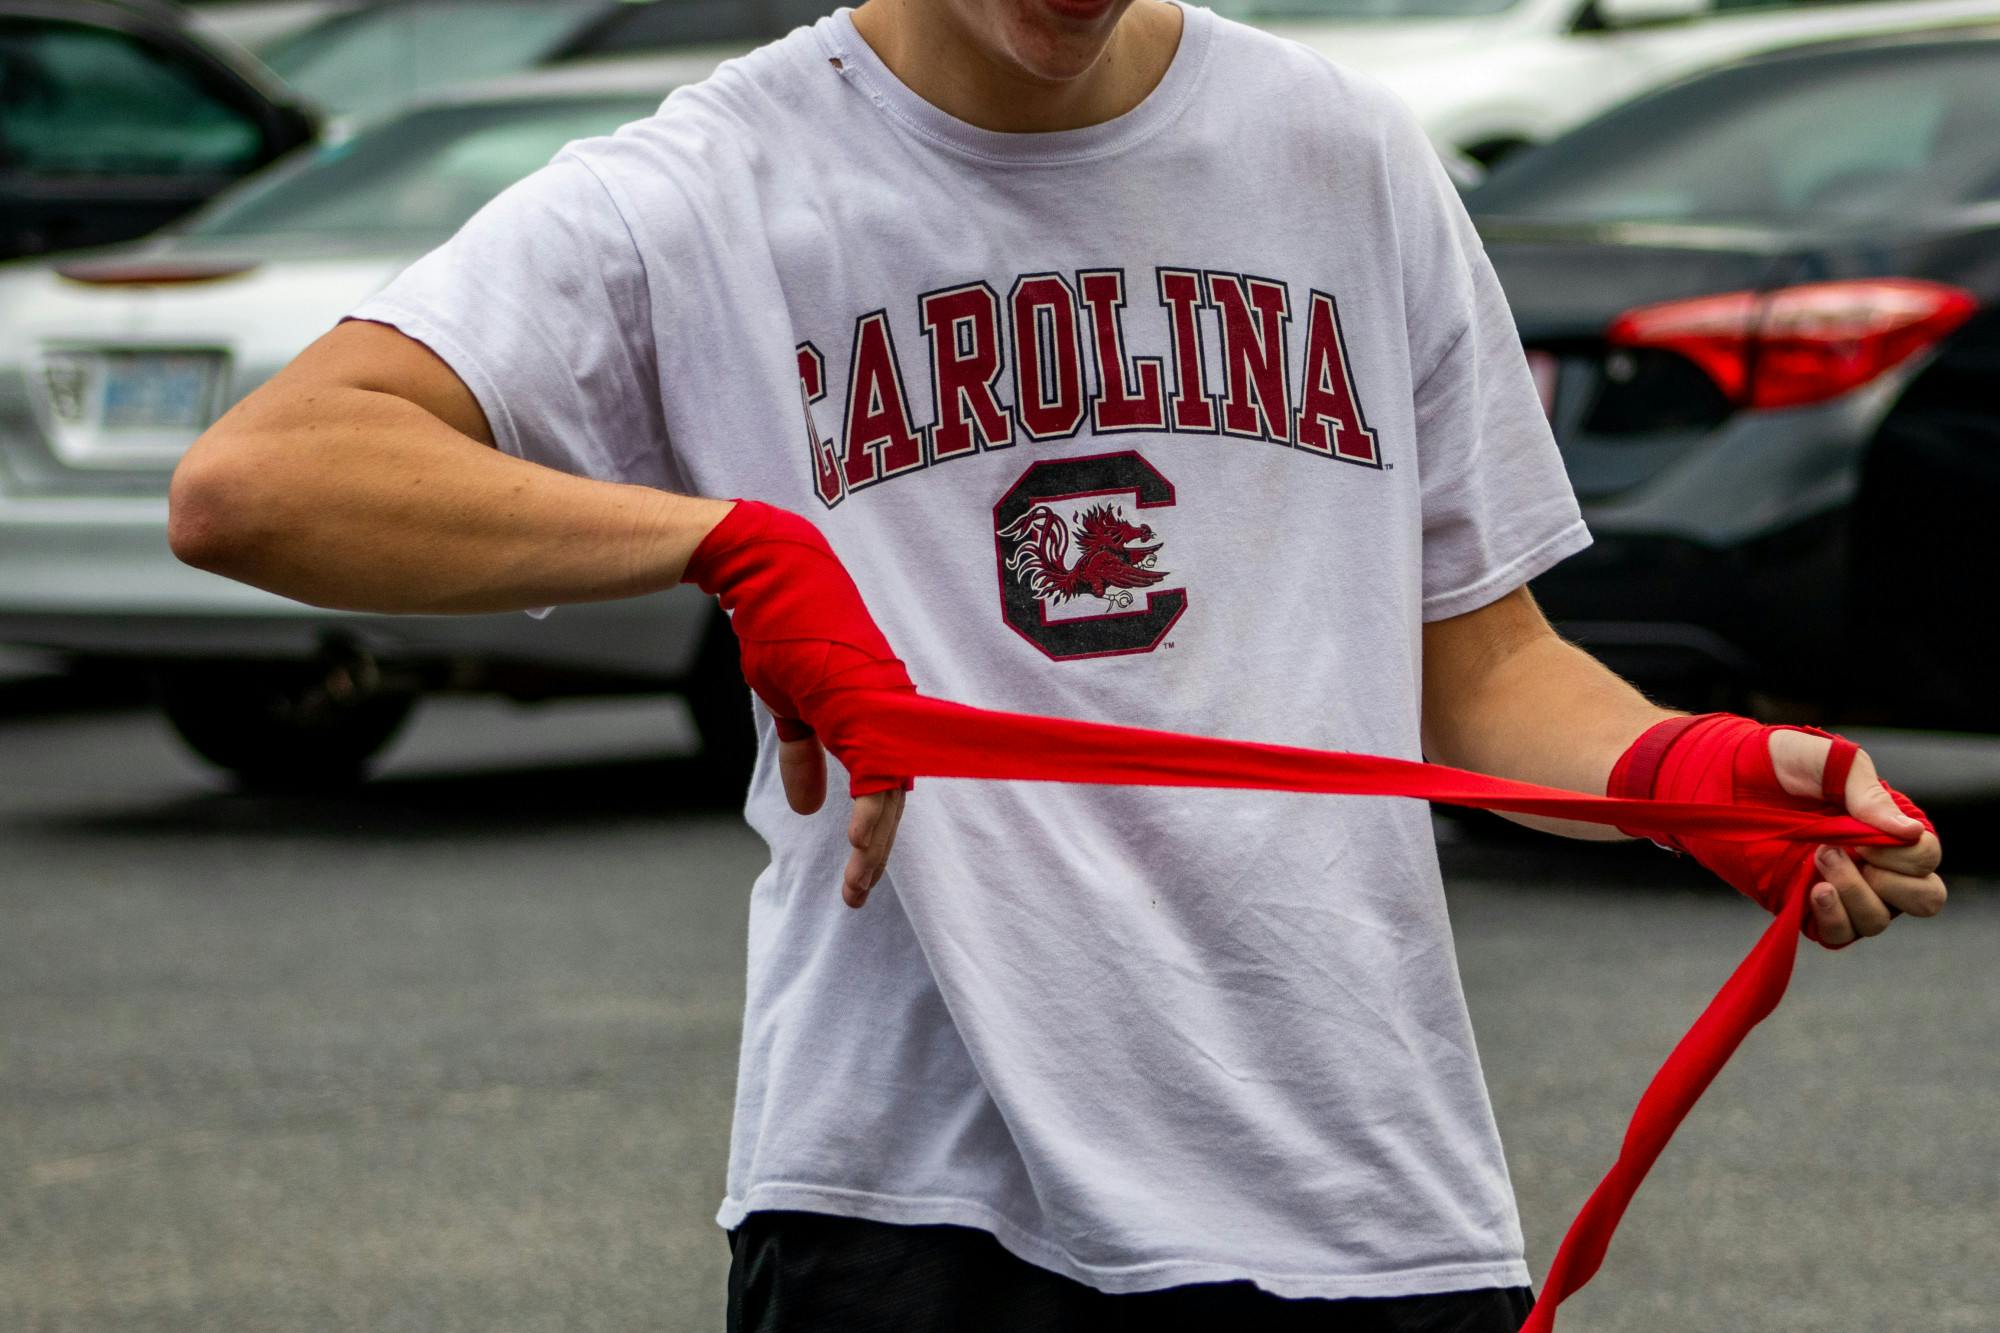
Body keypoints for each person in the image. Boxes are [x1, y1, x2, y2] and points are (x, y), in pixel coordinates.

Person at [166, 1, 1948, 1328]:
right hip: (909, 1217)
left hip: (1364, 1202)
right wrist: (729, 542)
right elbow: (260, 481)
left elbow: (1483, 673)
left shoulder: (1343, 157)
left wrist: (1678, 776)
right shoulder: (708, 191)